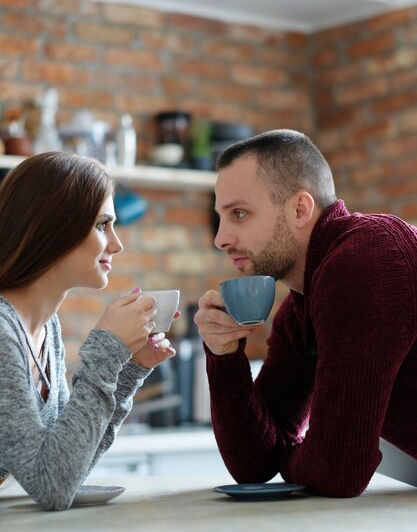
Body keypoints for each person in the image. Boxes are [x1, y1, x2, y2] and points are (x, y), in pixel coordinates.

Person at [194, 129, 417, 498]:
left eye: (239, 213)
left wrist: (294, 458)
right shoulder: (299, 310)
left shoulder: (366, 260)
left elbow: (337, 471)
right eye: (221, 217)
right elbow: (254, 466)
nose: (221, 238)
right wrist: (224, 354)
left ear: (300, 209)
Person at [0, 151, 177, 511]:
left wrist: (129, 369)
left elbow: (67, 466)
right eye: (101, 225)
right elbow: (52, 486)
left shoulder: (46, 327)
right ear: (52, 226)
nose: (117, 243)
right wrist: (108, 349)